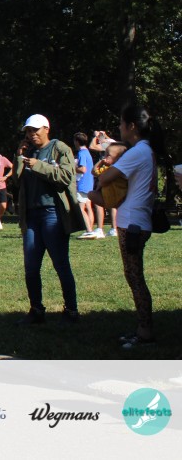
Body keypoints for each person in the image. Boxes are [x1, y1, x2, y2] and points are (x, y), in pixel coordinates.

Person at [97, 104, 166, 349]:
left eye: (121, 123)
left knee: (135, 278)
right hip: (136, 220)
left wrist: (105, 163)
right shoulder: (145, 150)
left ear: (132, 126)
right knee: (134, 276)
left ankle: (145, 333)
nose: (119, 127)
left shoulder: (138, 152)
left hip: (133, 223)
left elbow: (105, 177)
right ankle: (142, 330)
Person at [11, 114, 85, 325]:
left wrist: (37, 165)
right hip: (31, 215)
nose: (31, 134)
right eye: (28, 131)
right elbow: (17, 181)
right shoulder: (28, 151)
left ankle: (71, 310)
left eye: (35, 130)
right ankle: (36, 310)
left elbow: (66, 177)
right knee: (31, 267)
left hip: (53, 213)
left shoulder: (59, 148)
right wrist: (19, 157)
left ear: (46, 129)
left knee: (61, 264)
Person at [88, 131, 117, 238]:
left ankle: (100, 229)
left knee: (98, 201)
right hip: (112, 175)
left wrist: (95, 136)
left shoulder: (107, 145)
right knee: (113, 202)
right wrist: (103, 135)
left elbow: (92, 146)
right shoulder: (114, 143)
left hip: (103, 174)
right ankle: (114, 229)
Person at [73, 132, 96, 238]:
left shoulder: (81, 153)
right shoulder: (87, 152)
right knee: (88, 207)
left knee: (80, 208)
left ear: (77, 141)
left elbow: (82, 169)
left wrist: (71, 167)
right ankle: (90, 229)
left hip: (82, 183)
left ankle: (89, 230)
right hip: (89, 183)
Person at [0, 144, 13, 230]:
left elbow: (13, 167)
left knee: (3, 205)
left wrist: (6, 176)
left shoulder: (2, 159)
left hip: (1, 185)